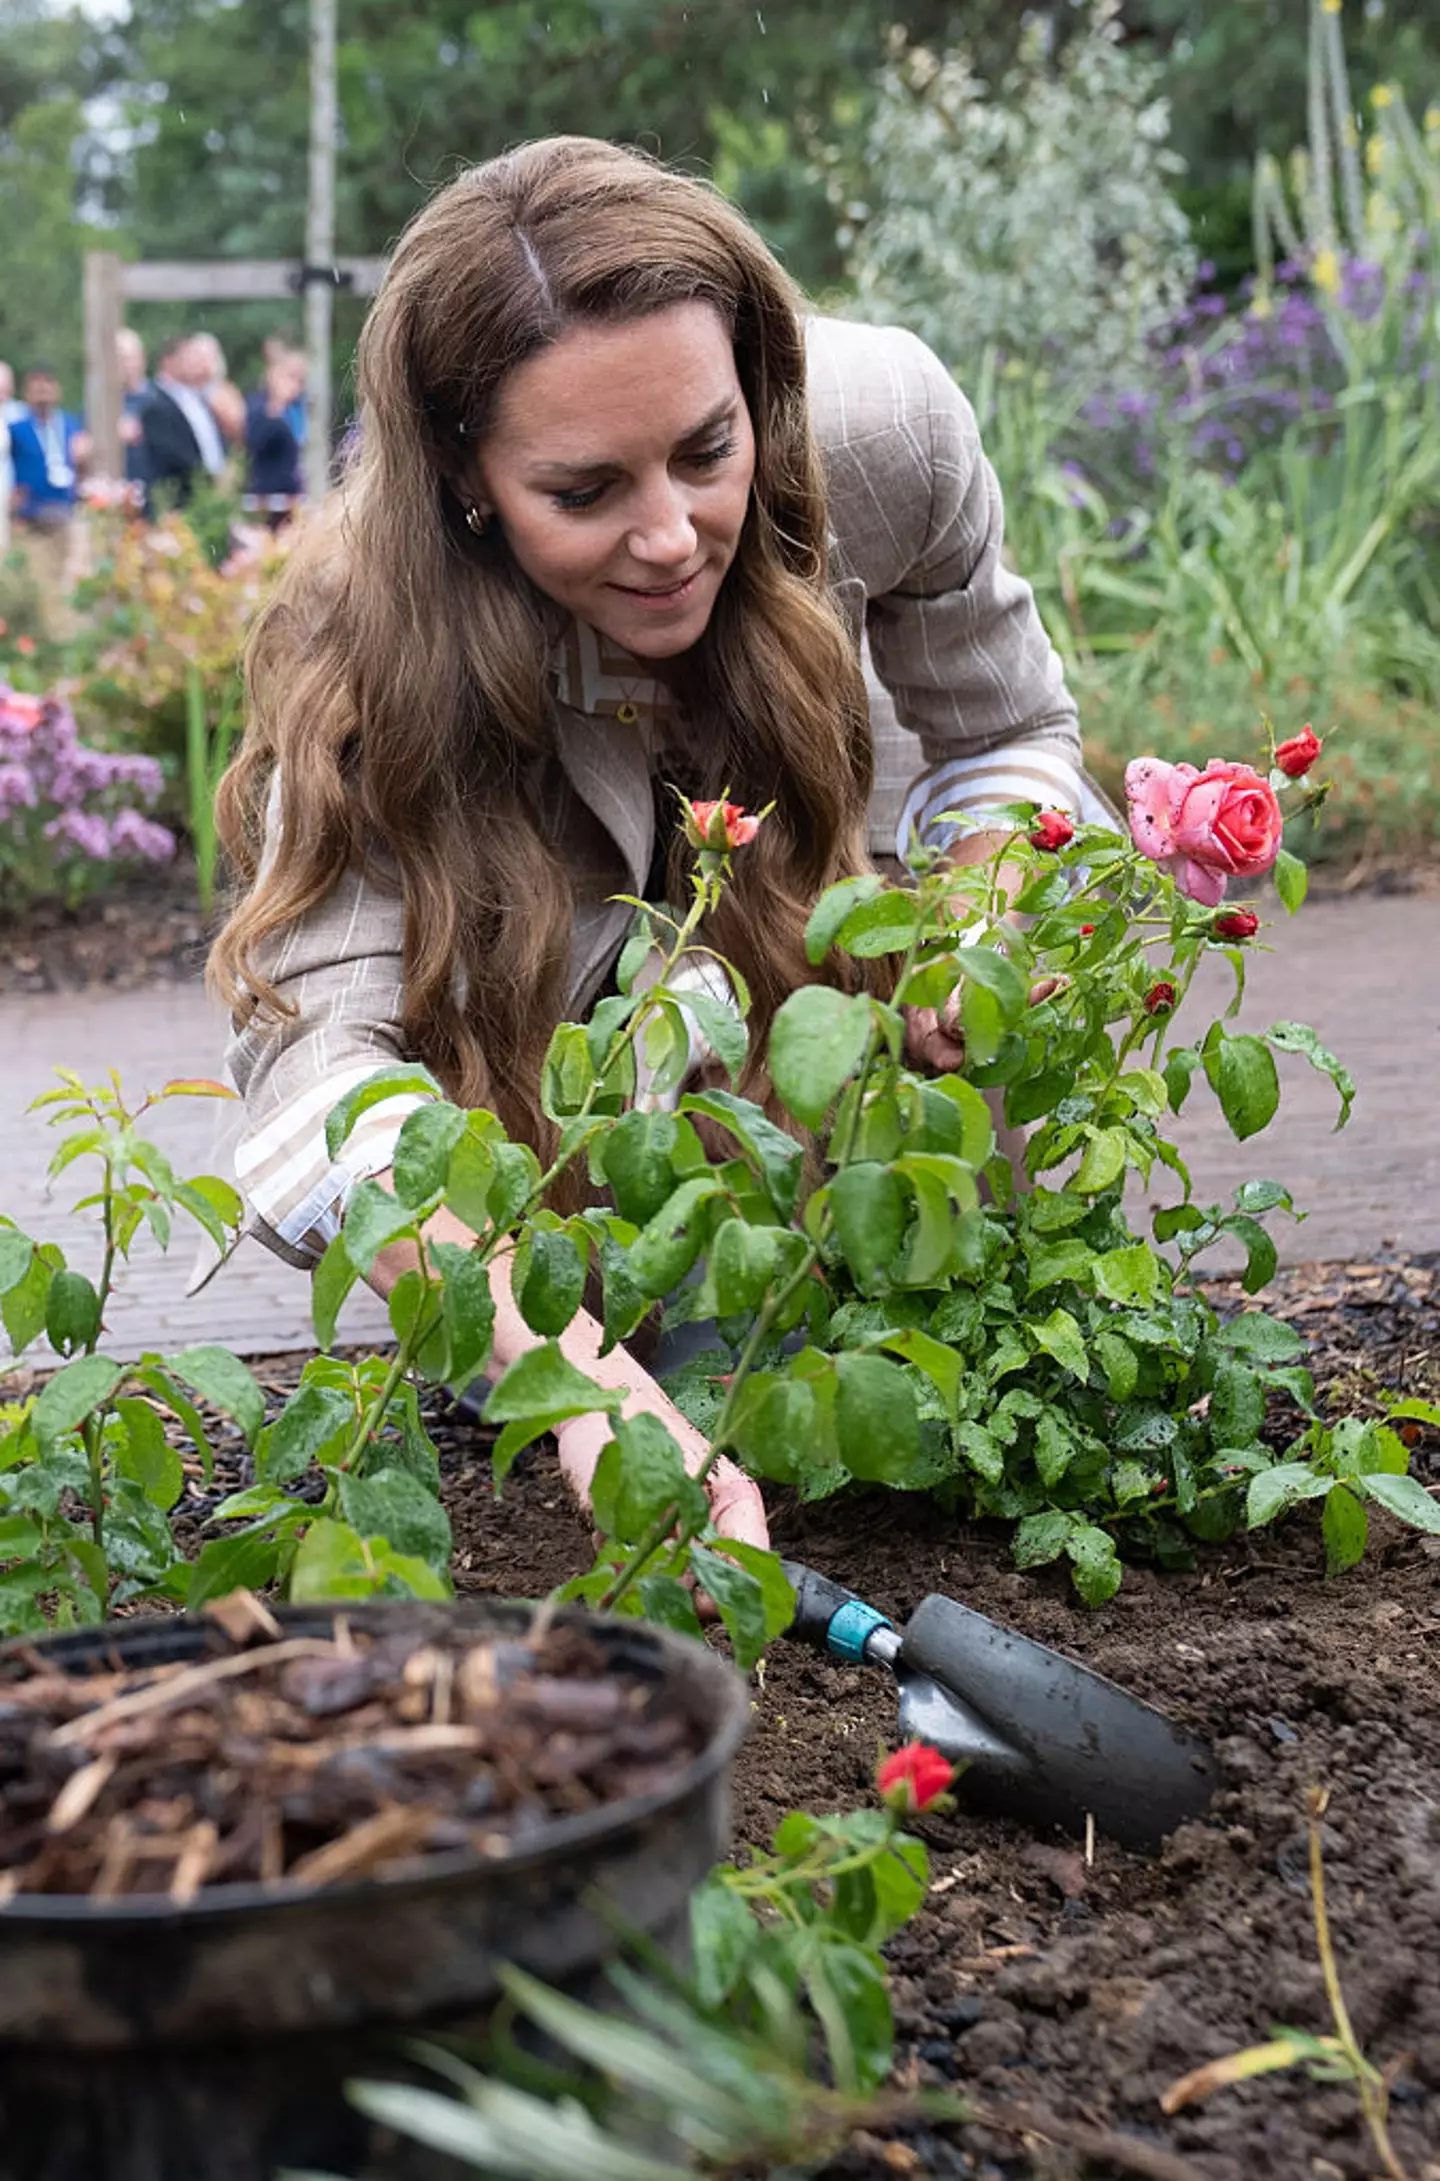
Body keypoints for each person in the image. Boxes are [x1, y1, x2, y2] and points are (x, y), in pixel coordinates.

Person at [211, 137, 1098, 1550]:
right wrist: (574, 1386)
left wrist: (988, 910)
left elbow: (1009, 739)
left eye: (707, 452)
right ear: (465, 477)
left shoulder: (879, 435)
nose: (674, 536)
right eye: (584, 492)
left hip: (830, 1129)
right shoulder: (365, 630)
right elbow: (320, 1083)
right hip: (564, 1172)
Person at [7, 366, 90, 634]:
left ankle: (69, 632)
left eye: (47, 387)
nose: (42, 394)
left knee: (72, 580)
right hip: (33, 518)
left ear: (57, 391)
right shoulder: (16, 429)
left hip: (65, 512)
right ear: (26, 393)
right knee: (42, 583)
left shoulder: (70, 424)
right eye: (36, 388)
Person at [139, 333, 228, 510]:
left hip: (207, 494)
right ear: (168, 361)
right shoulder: (155, 402)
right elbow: (170, 453)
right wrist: (203, 476)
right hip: (179, 499)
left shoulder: (197, 397)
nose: (193, 365)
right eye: (187, 359)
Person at [243, 347, 305, 521]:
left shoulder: (298, 409)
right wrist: (277, 404)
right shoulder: (259, 408)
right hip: (268, 499)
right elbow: (255, 443)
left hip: (294, 495)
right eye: (290, 377)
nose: (295, 385)